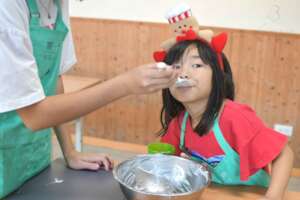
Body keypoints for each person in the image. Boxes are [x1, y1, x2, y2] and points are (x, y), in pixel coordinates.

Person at [0, 0, 177, 198]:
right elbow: (34, 115)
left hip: (33, 155)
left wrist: (70, 152)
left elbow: (53, 79)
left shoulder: (58, 4)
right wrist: (125, 84)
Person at [153, 4, 294, 200]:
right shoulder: (180, 122)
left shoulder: (235, 117)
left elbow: (283, 154)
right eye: (175, 66)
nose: (183, 73)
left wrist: (274, 196)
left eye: (196, 65)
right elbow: (167, 159)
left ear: (218, 76)